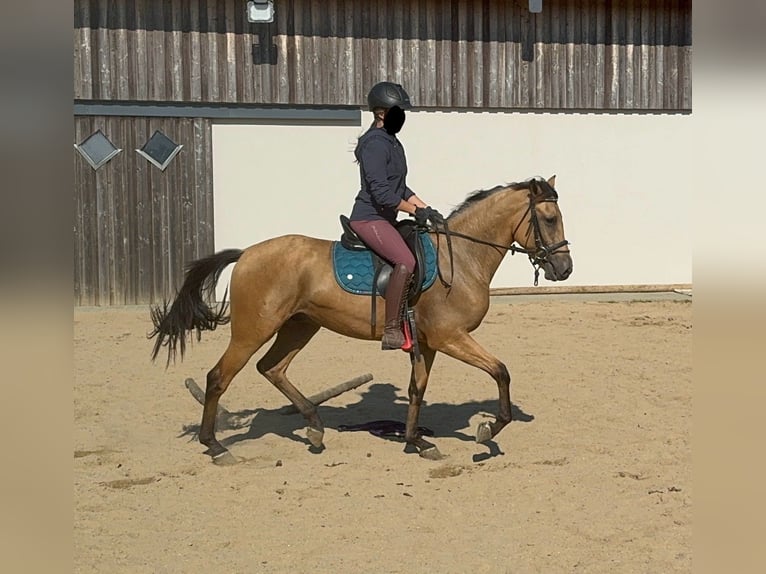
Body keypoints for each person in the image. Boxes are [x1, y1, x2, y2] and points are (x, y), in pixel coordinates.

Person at [347, 81, 443, 351]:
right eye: (397, 110)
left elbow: (400, 187)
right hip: (369, 218)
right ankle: (391, 329)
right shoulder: (375, 144)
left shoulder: (392, 141)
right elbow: (382, 194)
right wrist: (416, 211)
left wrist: (428, 209)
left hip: (385, 218)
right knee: (405, 260)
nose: (402, 115)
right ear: (381, 113)